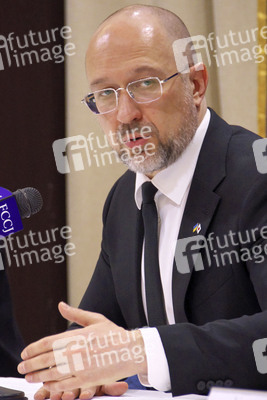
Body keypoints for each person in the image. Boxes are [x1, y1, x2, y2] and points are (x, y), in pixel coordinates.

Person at [17, 4, 267, 398]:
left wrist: (141, 350)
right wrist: (70, 368)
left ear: (196, 84)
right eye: (105, 94)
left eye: (146, 84)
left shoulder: (257, 176)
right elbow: (98, 336)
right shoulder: (124, 198)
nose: (125, 114)